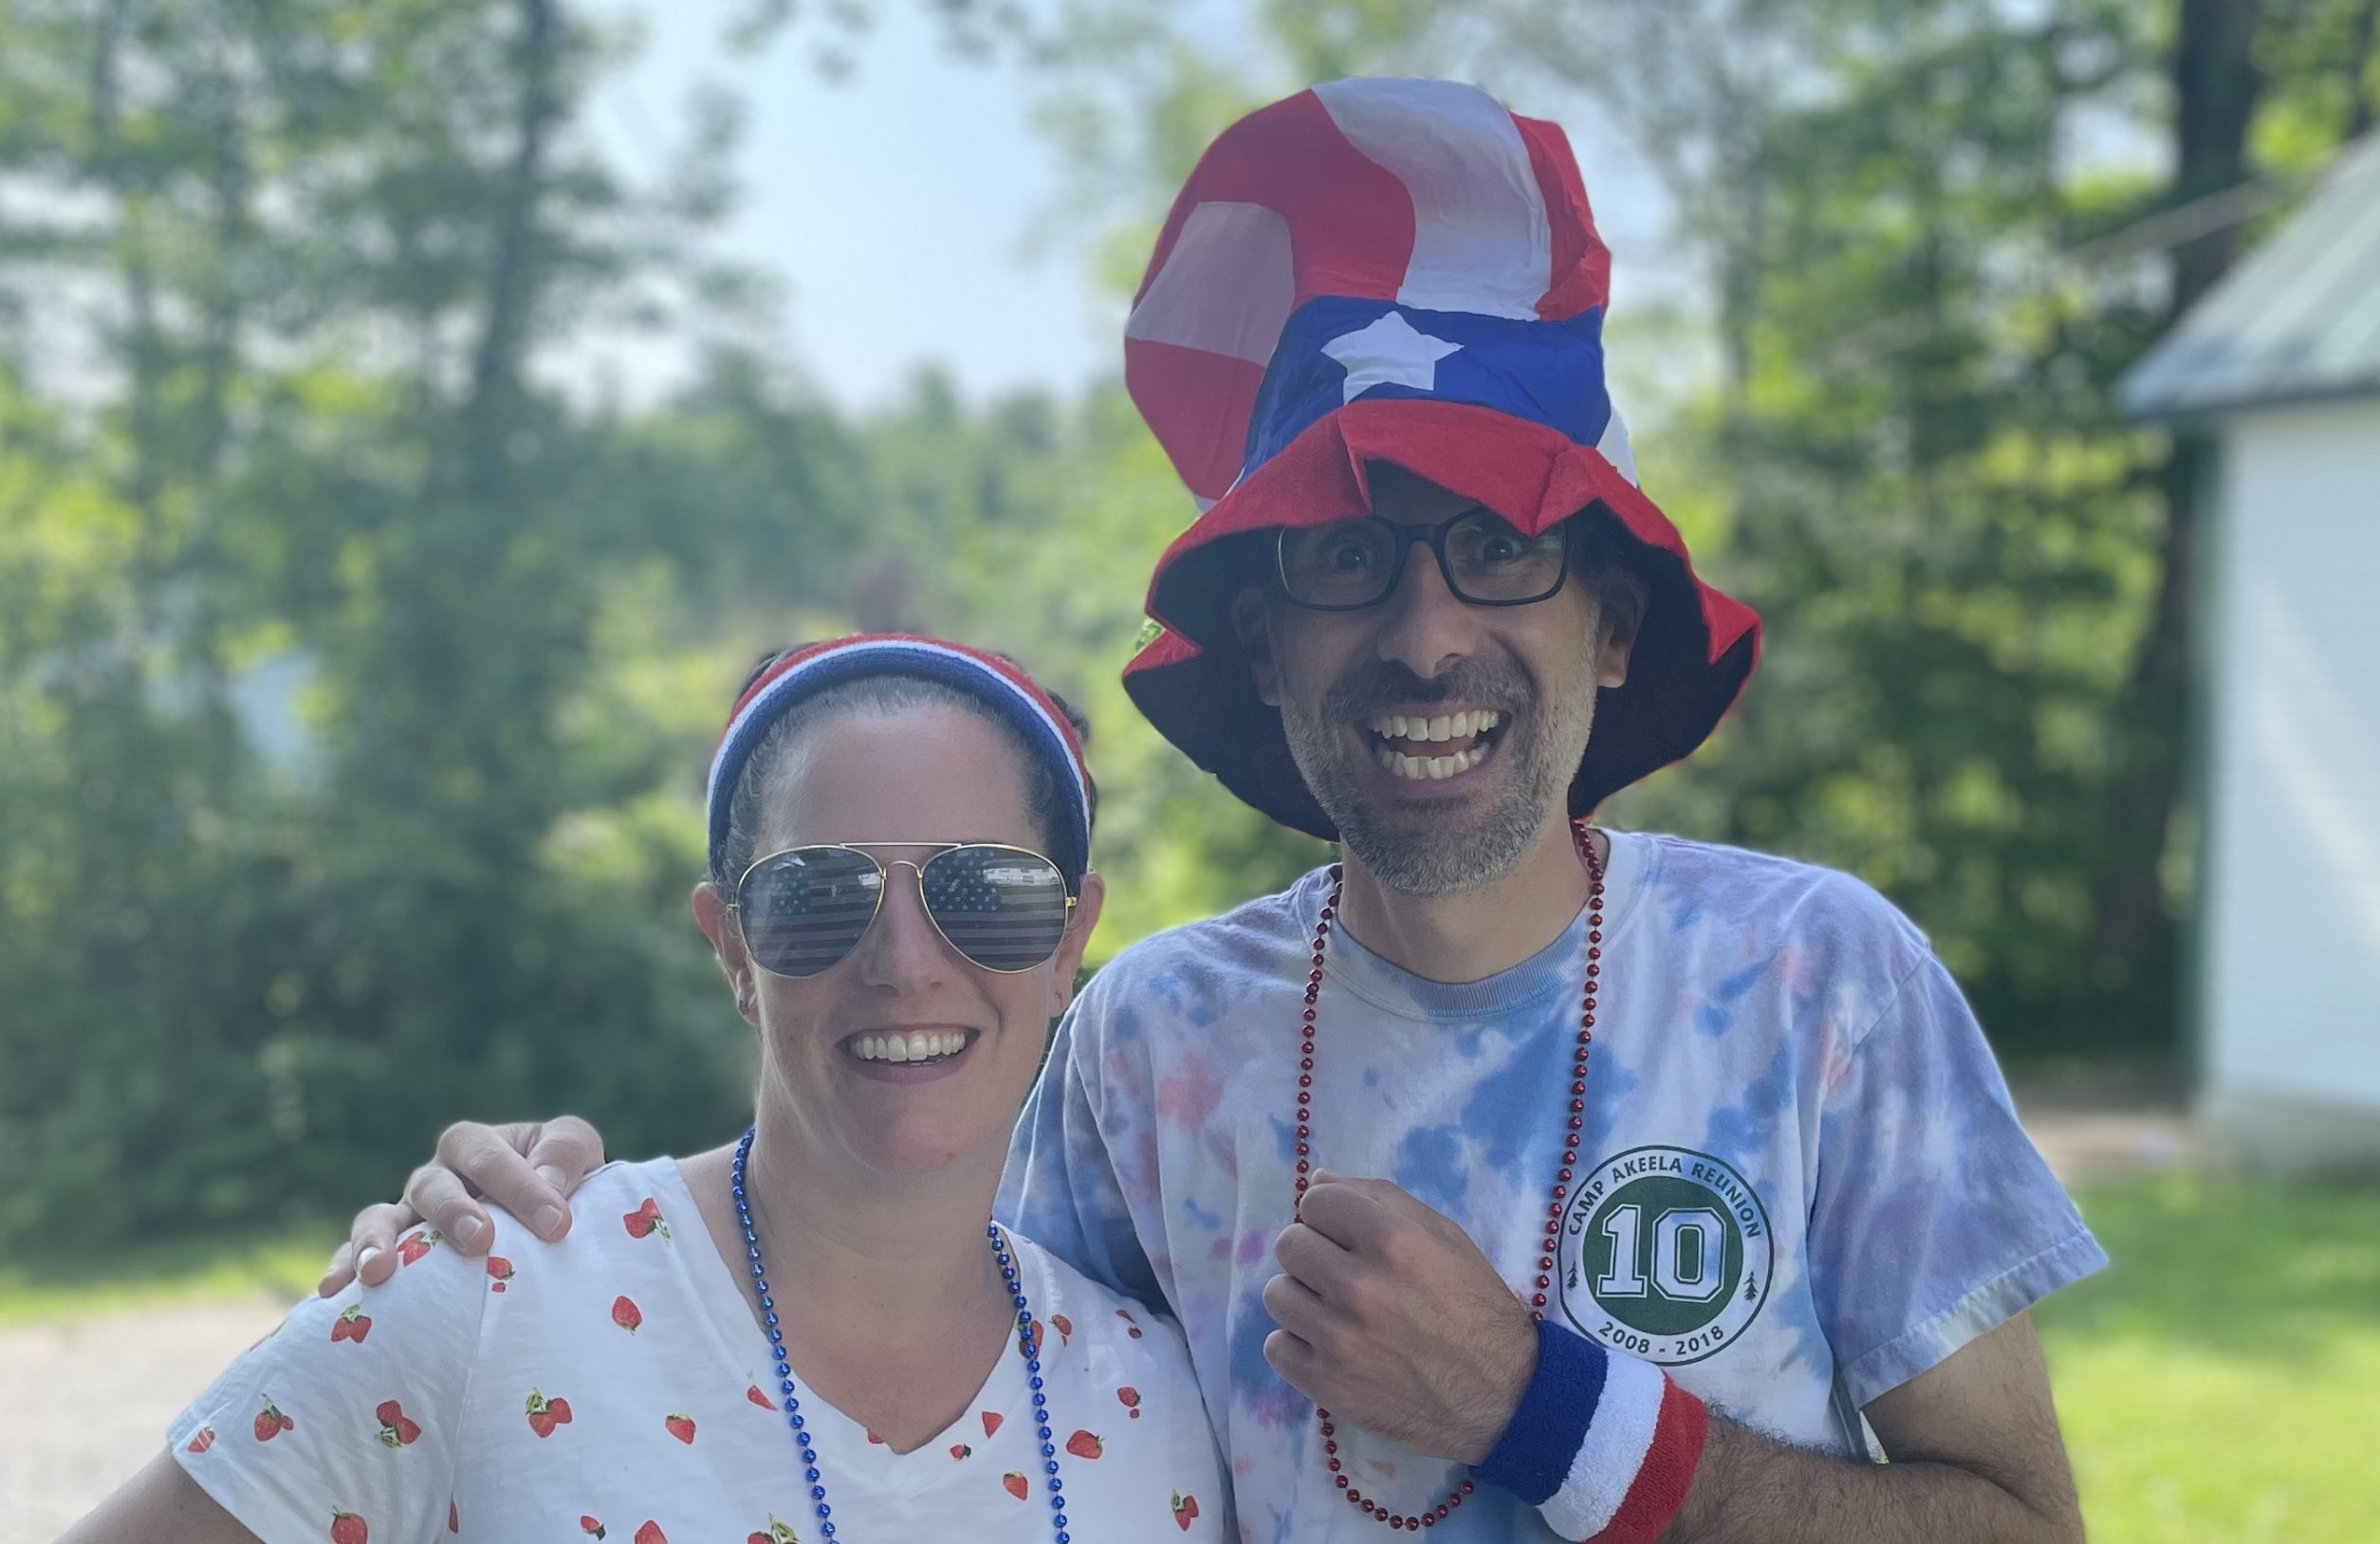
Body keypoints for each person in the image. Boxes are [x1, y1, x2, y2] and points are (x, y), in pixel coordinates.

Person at [324, 79, 2106, 1544]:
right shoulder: (1145, 1046)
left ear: (1611, 617)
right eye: (1346, 560)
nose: (1425, 637)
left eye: (1497, 548)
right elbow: (940, 1401)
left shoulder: (1819, 980)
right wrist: (521, 1247)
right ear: (1263, 646)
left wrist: (1542, 1406)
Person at [65, 635, 1227, 1543]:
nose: (904, 960)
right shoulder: (483, 1295)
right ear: (730, 946)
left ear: (1073, 934)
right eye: (818, 893)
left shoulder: (1163, 1405)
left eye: (988, 890)